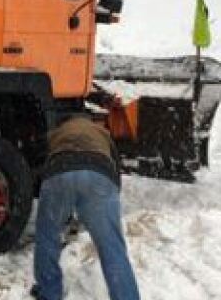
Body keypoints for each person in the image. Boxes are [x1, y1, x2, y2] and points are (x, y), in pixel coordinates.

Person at [32, 114, 140, 300]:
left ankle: (49, 292)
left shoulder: (57, 133)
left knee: (47, 236)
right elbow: (115, 166)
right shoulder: (102, 132)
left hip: (60, 169)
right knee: (111, 246)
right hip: (99, 173)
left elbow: (41, 163)